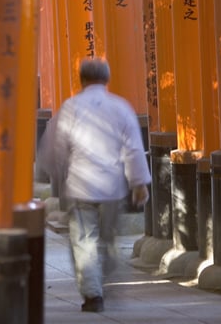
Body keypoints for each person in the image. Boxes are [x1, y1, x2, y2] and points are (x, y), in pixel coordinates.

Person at [44, 57, 151, 313]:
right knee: (108, 239)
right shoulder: (120, 107)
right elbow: (134, 147)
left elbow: (56, 148)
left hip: (80, 185)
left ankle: (93, 294)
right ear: (107, 79)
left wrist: (57, 175)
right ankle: (105, 279)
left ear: (81, 80)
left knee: (84, 240)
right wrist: (139, 183)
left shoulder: (71, 107)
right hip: (112, 186)